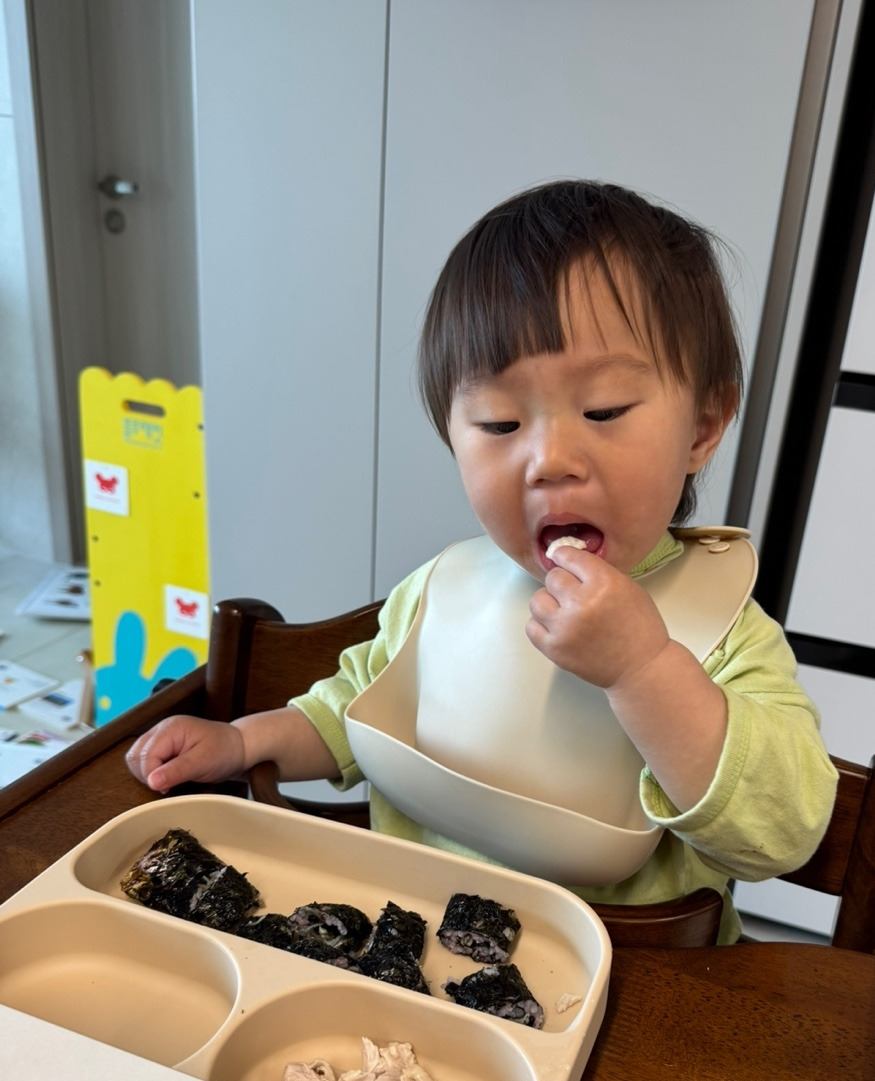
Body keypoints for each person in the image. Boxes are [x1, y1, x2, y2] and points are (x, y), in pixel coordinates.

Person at [126, 180, 837, 943]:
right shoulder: (442, 589)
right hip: (413, 956)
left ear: (702, 426)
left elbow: (784, 833)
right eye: (500, 422)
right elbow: (357, 707)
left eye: (603, 410)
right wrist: (246, 742)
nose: (549, 460)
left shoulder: (724, 635)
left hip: (635, 981)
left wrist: (643, 669)